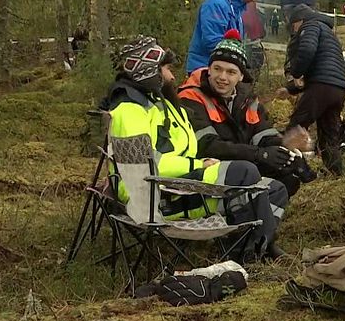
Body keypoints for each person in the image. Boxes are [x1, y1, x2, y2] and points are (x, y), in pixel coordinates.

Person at [101, 35, 289, 262]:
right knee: (244, 172)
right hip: (156, 196)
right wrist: (198, 164)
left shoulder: (160, 104)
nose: (172, 76)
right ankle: (257, 251)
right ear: (150, 72)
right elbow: (143, 168)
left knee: (276, 189)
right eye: (167, 68)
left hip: (179, 185)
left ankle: (250, 248)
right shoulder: (131, 111)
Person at [178, 29, 315, 198]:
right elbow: (208, 146)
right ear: (209, 69)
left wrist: (286, 146)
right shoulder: (190, 97)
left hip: (241, 164)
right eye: (217, 69)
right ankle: (248, 215)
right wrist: (260, 155)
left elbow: (263, 134)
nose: (222, 77)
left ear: (241, 76)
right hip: (207, 168)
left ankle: (258, 219)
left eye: (231, 72)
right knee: (254, 174)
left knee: (288, 178)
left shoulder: (247, 99)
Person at [283, 4, 345, 176]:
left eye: (294, 26)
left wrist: (296, 72)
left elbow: (307, 50)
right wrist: (290, 88)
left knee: (295, 128)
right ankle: (337, 176)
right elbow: (322, 68)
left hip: (321, 87)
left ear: (299, 21)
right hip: (339, 89)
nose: (294, 31)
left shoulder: (310, 25)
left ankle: (289, 171)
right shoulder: (329, 34)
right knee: (329, 136)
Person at [186, 0, 265, 73]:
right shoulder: (216, 5)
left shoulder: (238, 8)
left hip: (223, 68)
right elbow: (212, 41)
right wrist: (236, 57)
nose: (253, 0)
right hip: (204, 68)